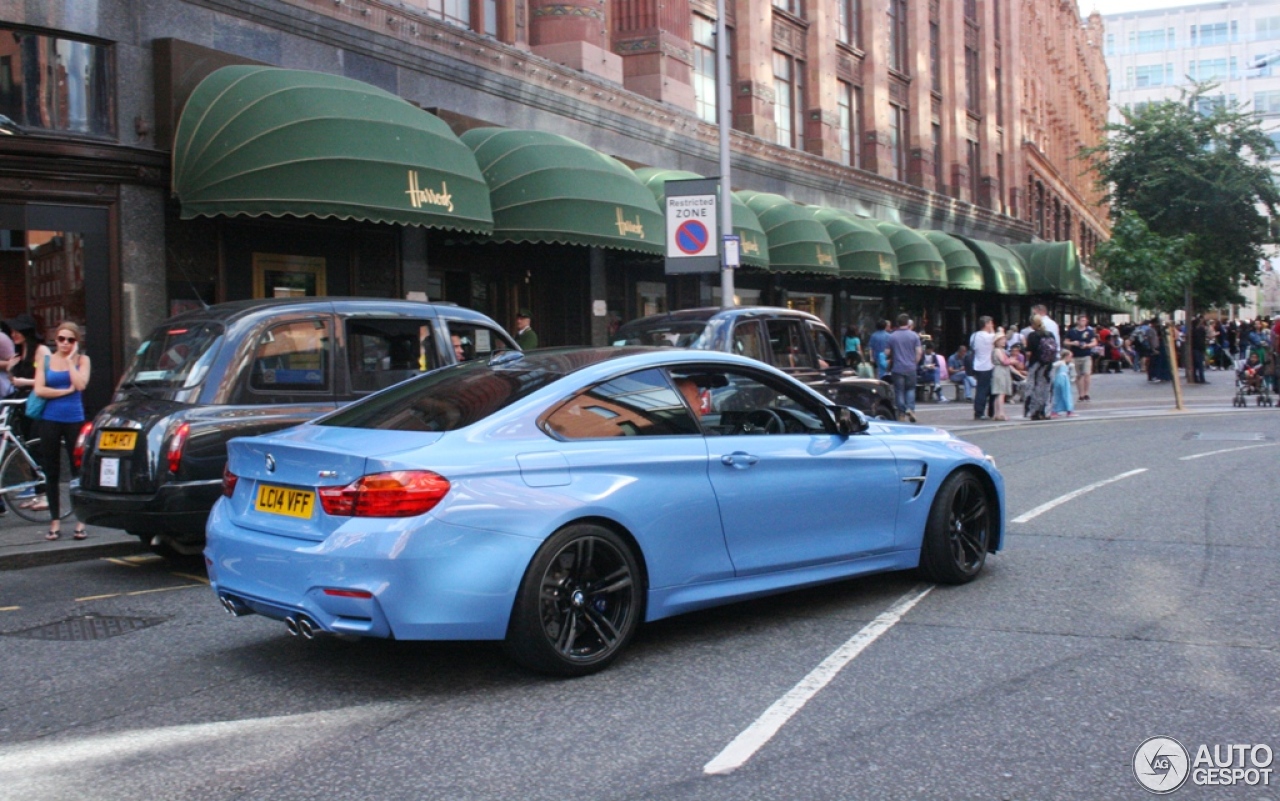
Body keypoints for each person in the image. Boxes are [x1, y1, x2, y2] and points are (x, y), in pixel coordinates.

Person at [35, 321, 91, 541]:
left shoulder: (82, 360)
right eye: (61, 339)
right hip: (50, 419)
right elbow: (39, 389)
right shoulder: (45, 360)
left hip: (74, 419)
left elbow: (81, 385)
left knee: (78, 471)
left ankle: (80, 521)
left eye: (70, 340)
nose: (65, 343)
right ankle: (55, 521)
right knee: (52, 471)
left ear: (76, 342)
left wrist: (69, 362)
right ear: (55, 340)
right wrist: (62, 392)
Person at [887, 313, 921, 422]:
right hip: (910, 367)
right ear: (907, 323)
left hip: (897, 367)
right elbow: (919, 352)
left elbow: (887, 352)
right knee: (910, 389)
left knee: (899, 391)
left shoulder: (892, 336)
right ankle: (911, 409)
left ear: (898, 323)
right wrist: (914, 362)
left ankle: (901, 413)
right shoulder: (914, 335)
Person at [1024, 315, 1057, 420]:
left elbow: (1029, 352)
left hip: (1036, 365)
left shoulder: (1032, 335)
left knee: (1034, 388)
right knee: (1047, 388)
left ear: (1033, 324)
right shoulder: (1050, 334)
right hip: (1048, 365)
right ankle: (1046, 412)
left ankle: (1034, 412)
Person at [1063, 314, 1097, 401]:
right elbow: (1065, 342)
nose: (1083, 322)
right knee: (1078, 375)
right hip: (1075, 356)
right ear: (1077, 321)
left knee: (1087, 373)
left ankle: (1086, 393)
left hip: (1086, 355)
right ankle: (1081, 394)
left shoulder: (1089, 331)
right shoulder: (1072, 331)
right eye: (1082, 320)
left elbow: (1094, 342)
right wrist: (1073, 343)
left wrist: (1087, 345)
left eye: (1085, 321)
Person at [990, 334, 1023, 421]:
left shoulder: (1002, 350)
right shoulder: (997, 350)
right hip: (1000, 372)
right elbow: (1004, 361)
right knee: (1000, 393)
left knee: (1000, 393)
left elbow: (1008, 365)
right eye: (1002, 340)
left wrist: (1019, 373)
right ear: (997, 341)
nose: (1004, 341)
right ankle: (1000, 413)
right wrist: (1012, 361)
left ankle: (997, 413)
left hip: (1003, 371)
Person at [970, 316, 998, 420]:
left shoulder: (974, 335)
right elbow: (997, 339)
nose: (992, 325)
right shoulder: (989, 337)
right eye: (991, 323)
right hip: (987, 365)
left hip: (977, 364)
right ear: (986, 324)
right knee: (983, 390)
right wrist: (994, 331)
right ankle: (979, 412)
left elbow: (972, 347)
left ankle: (985, 410)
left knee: (983, 388)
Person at [1050, 349, 1076, 418]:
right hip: (1062, 379)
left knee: (1061, 394)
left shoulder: (1068, 364)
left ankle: (1056, 410)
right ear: (1066, 356)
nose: (1071, 358)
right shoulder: (1061, 362)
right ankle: (1068, 410)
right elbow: (1053, 365)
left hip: (1063, 379)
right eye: (1070, 357)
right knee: (1064, 394)